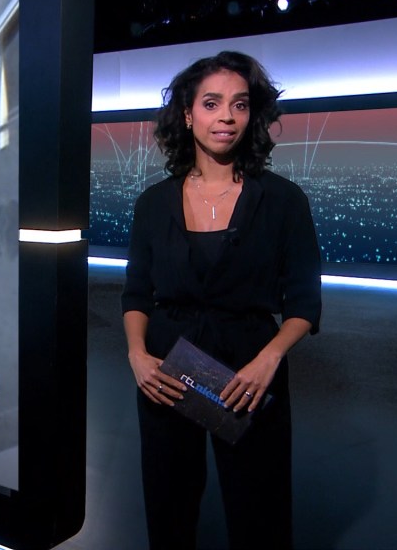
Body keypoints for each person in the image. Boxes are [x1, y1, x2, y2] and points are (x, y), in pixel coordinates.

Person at [121, 51, 322, 549]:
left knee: (260, 513)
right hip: (167, 371)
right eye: (211, 103)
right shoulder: (152, 203)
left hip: (248, 373)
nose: (226, 116)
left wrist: (269, 359)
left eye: (240, 104)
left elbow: (303, 302)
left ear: (252, 116)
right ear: (188, 115)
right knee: (168, 509)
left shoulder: (283, 201)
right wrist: (137, 355)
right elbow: (136, 292)